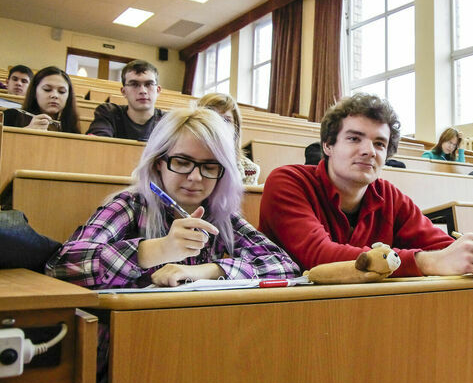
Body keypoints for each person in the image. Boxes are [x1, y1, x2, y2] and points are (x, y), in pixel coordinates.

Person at [259, 93, 473, 277]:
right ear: (328, 145)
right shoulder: (287, 182)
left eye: (379, 144)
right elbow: (319, 256)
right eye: (354, 138)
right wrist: (429, 262)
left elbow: (443, 248)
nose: (369, 151)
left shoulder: (389, 196)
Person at [46, 107, 299, 289]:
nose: (195, 177)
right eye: (182, 162)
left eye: (210, 166)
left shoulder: (219, 216)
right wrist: (157, 250)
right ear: (158, 163)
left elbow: (283, 265)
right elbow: (62, 266)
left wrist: (207, 271)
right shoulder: (130, 205)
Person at [86, 60, 164, 141]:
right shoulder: (109, 113)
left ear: (158, 90)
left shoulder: (168, 121)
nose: (142, 91)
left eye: (149, 84)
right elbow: (97, 144)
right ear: (124, 92)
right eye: (134, 84)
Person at [196, 92, 260, 185]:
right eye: (212, 117)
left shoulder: (249, 170)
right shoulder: (184, 158)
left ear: (235, 129)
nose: (220, 124)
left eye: (226, 120)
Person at [2, 66, 81, 133]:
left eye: (62, 91)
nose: (54, 95)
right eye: (47, 89)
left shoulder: (71, 127)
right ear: (34, 92)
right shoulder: (11, 117)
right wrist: (26, 132)